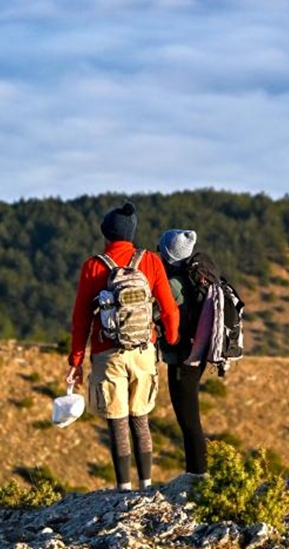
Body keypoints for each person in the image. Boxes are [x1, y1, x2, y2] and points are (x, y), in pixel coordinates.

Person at [66, 201, 179, 491]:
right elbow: (168, 309)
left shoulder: (93, 266)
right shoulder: (151, 261)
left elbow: (80, 319)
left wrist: (75, 362)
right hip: (143, 351)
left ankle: (123, 489)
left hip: (108, 352)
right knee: (140, 418)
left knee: (117, 421)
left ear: (106, 234)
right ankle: (147, 484)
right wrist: (172, 338)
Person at [157, 228, 220, 476]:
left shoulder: (173, 285)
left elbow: (158, 314)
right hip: (198, 353)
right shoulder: (197, 278)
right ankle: (197, 472)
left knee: (189, 421)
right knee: (190, 419)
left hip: (183, 358)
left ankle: (197, 475)